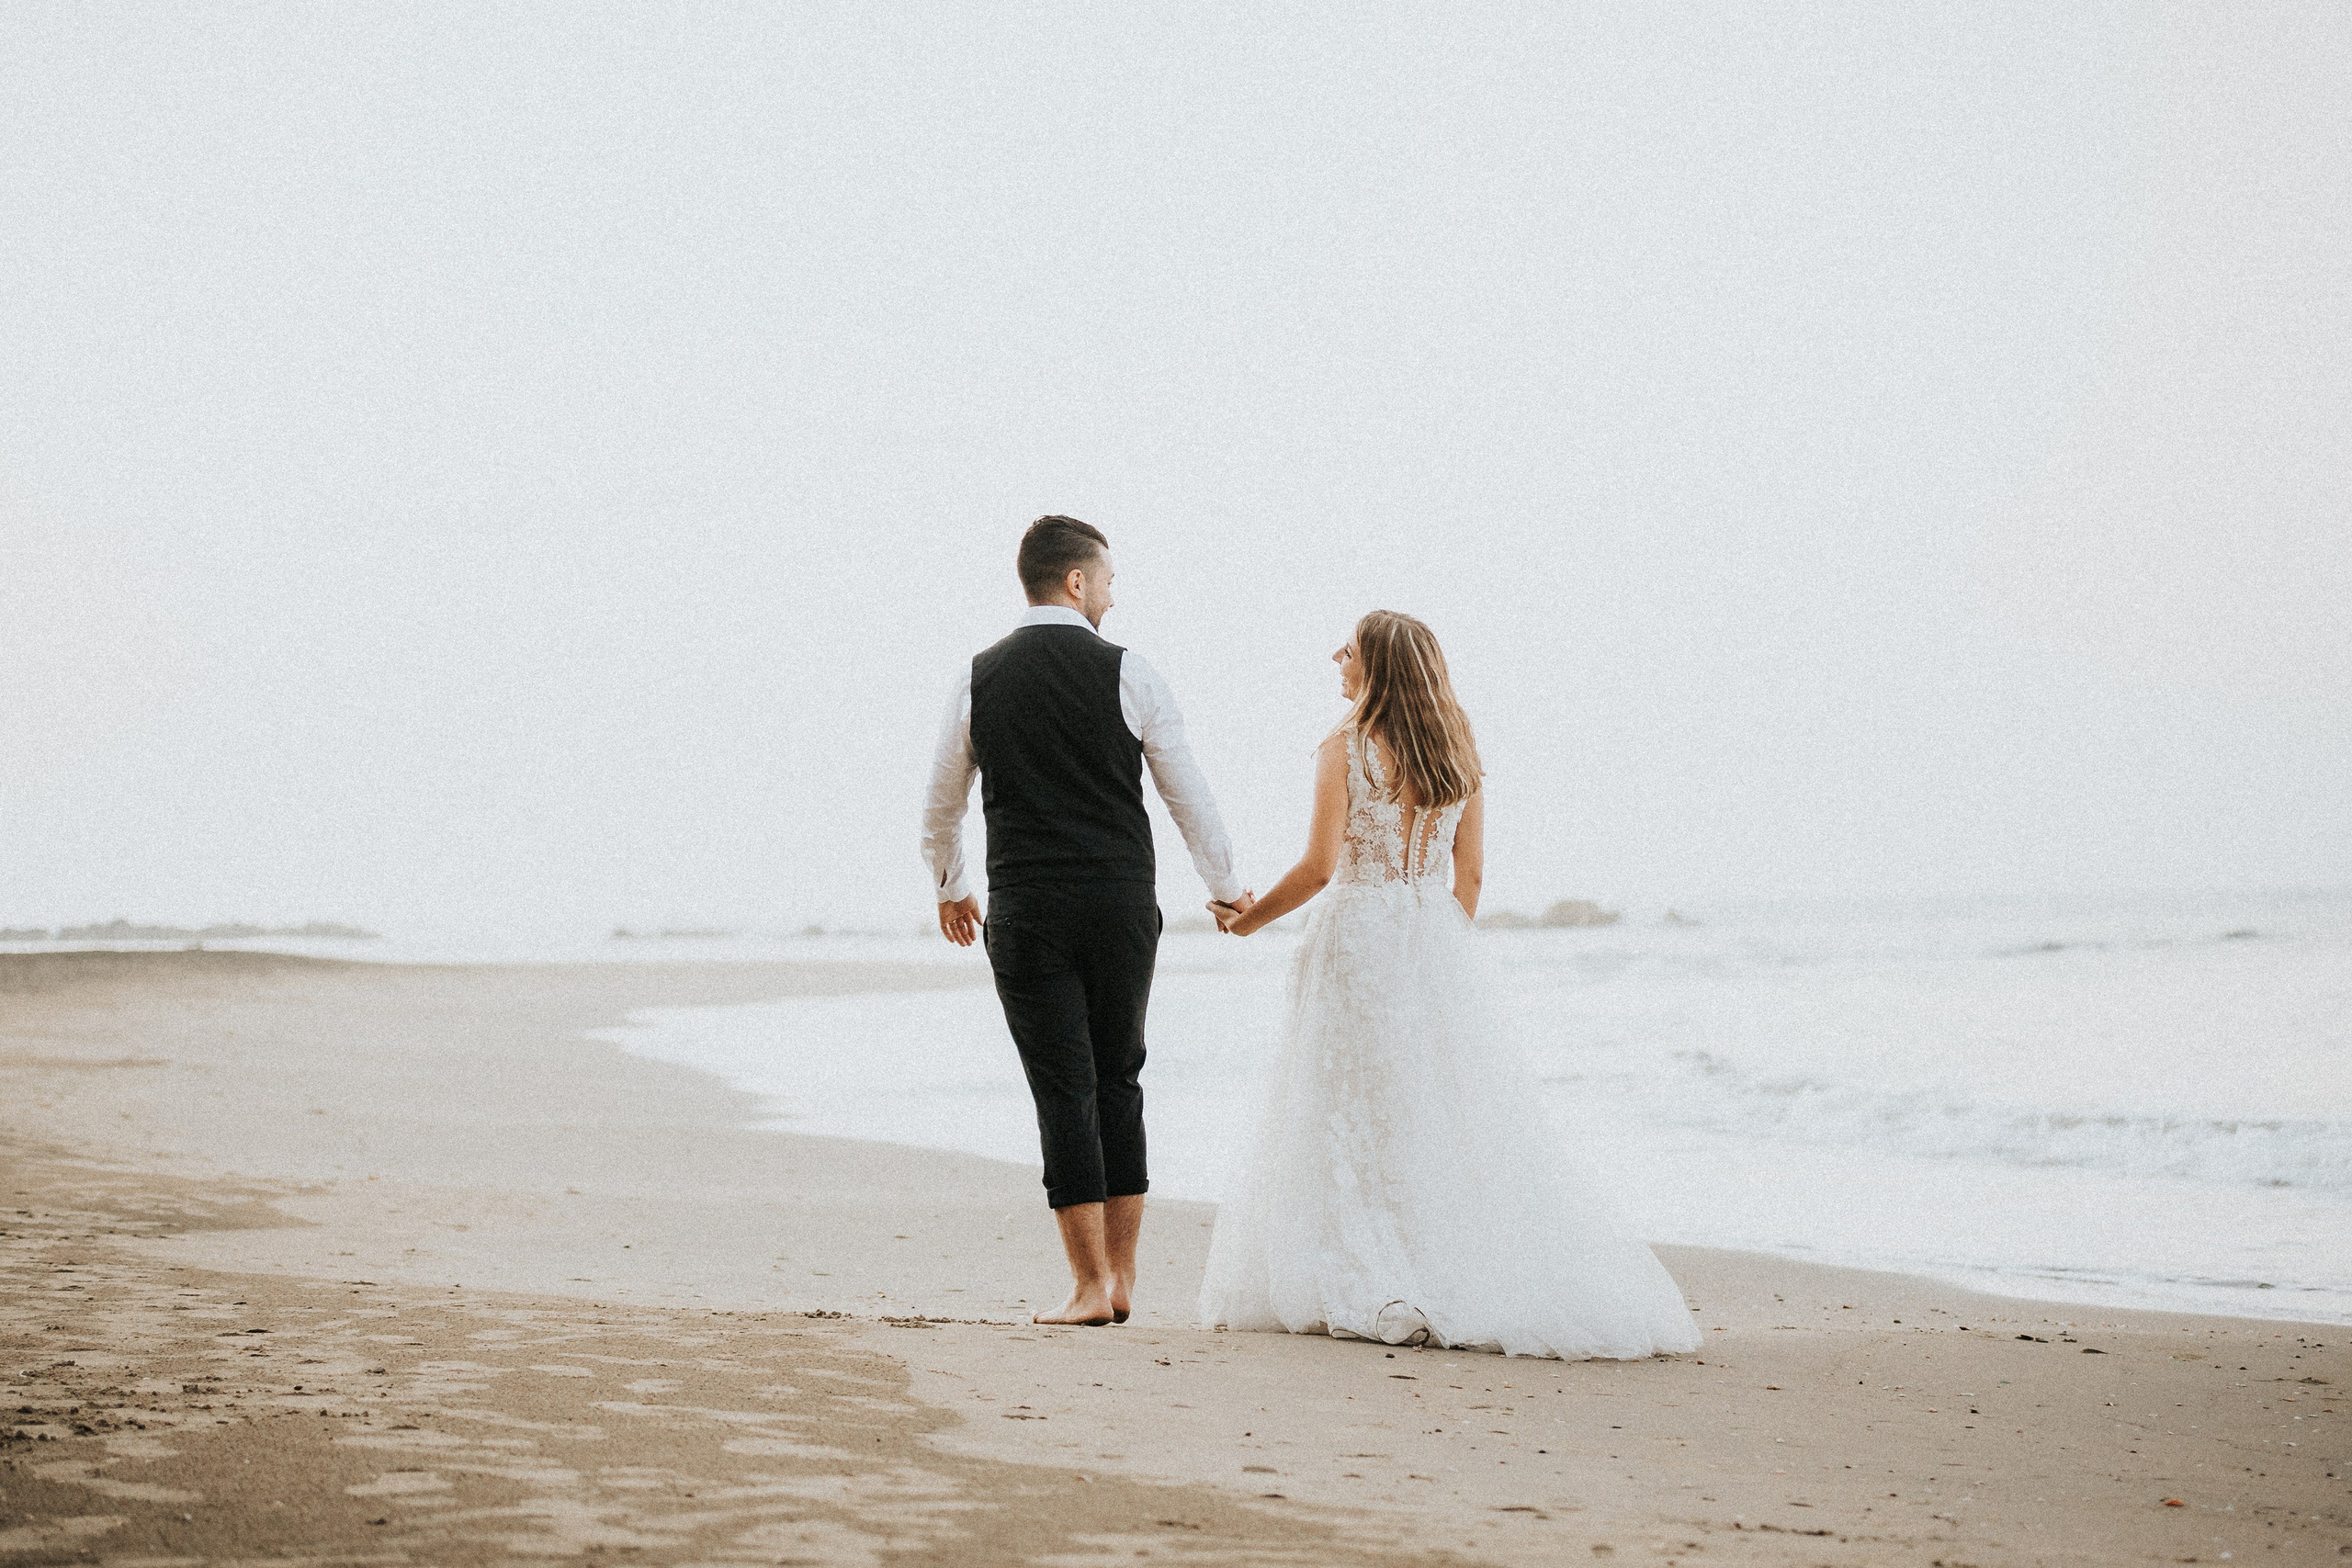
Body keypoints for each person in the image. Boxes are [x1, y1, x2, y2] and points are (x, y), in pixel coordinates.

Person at [1198, 610, 1700, 1359]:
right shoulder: (1459, 756)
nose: (1336, 655)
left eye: (1350, 647)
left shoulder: (1344, 745)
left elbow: (1321, 867)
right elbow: (1470, 879)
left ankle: (1374, 1264)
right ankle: (1437, 1255)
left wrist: (1246, 920)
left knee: (1350, 1108)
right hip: (1432, 942)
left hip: (1359, 942)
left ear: (1377, 667)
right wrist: (1432, 943)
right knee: (1427, 1110)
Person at [922, 516, 1253, 1326]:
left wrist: (952, 886)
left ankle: (1088, 1285)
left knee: (1062, 1089)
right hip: (1119, 906)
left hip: (1028, 909)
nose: (1112, 592)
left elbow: (940, 806)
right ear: (1077, 581)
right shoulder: (1131, 672)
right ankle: (1124, 1278)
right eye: (1107, 579)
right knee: (1119, 1078)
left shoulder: (978, 679)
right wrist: (1227, 886)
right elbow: (1186, 792)